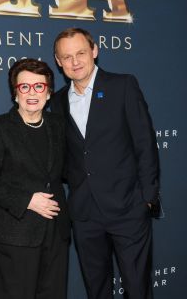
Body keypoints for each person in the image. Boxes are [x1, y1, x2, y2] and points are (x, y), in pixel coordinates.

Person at [51, 28, 160, 299]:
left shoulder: (123, 85)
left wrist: (146, 199)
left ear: (95, 51)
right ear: (58, 61)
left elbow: (144, 143)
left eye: (80, 53)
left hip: (128, 209)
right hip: (85, 214)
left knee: (137, 289)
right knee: (97, 289)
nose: (75, 62)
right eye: (67, 56)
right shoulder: (57, 101)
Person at [0, 58, 70, 299]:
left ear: (48, 93)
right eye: (24, 87)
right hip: (15, 234)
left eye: (39, 86)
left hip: (56, 233)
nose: (32, 93)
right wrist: (28, 200)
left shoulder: (59, 125)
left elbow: (70, 170)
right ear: (15, 93)